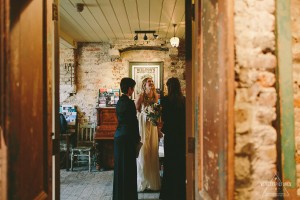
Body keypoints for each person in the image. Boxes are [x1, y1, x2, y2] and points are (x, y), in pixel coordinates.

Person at [113, 77, 141, 200]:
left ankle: (119, 195)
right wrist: (137, 139)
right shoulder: (130, 103)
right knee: (129, 168)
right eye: (133, 88)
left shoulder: (119, 102)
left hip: (118, 137)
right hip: (128, 138)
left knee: (119, 168)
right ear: (129, 89)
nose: (133, 90)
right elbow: (133, 122)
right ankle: (129, 196)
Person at [160, 77, 186, 200]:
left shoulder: (164, 100)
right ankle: (180, 193)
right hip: (181, 136)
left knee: (169, 163)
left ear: (169, 87)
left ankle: (168, 193)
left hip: (170, 136)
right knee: (180, 163)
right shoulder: (184, 100)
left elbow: (163, 118)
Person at [135, 77, 161, 192]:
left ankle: (152, 182)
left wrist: (154, 116)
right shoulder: (141, 96)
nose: (151, 83)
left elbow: (156, 110)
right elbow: (136, 111)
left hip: (152, 125)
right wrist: (145, 115)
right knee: (144, 151)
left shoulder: (156, 96)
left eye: (152, 82)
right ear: (144, 84)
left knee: (153, 151)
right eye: (149, 82)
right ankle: (142, 182)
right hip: (143, 126)